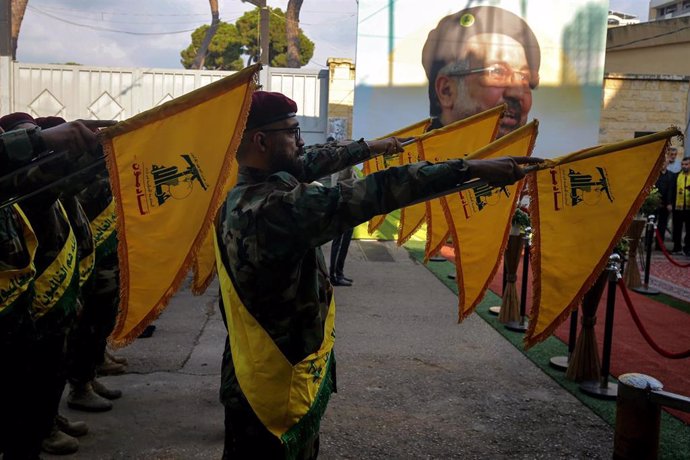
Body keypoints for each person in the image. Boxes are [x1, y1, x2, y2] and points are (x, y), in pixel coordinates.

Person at [215, 91, 541, 458]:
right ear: (261, 140)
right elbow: (376, 191)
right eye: (292, 132)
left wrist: (376, 147)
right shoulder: (273, 209)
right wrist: (469, 168)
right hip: (271, 389)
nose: (302, 141)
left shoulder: (247, 193)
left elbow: (315, 158)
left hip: (254, 373)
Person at [421, 5, 541, 137]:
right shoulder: (411, 155)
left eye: (524, 77)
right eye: (498, 72)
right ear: (447, 91)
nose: (517, 93)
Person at [329, 164, 356, 286]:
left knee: (343, 241)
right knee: (340, 242)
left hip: (346, 203)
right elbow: (338, 182)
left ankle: (339, 273)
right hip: (342, 203)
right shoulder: (344, 161)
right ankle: (335, 276)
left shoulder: (347, 159)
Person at [654, 154, 675, 250]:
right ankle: (647, 244)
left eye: (664, 162)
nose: (663, 164)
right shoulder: (654, 175)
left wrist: (670, 203)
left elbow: (671, 190)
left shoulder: (671, 175)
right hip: (654, 204)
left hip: (666, 204)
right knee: (651, 224)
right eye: (661, 162)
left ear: (667, 163)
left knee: (662, 225)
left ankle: (659, 245)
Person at [671, 156, 690, 255]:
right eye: (682, 164)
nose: (684, 166)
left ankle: (687, 248)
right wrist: (670, 203)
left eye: (686, 164)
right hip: (678, 207)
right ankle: (677, 247)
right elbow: (672, 190)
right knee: (677, 229)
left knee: (689, 230)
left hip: (689, 208)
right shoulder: (677, 176)